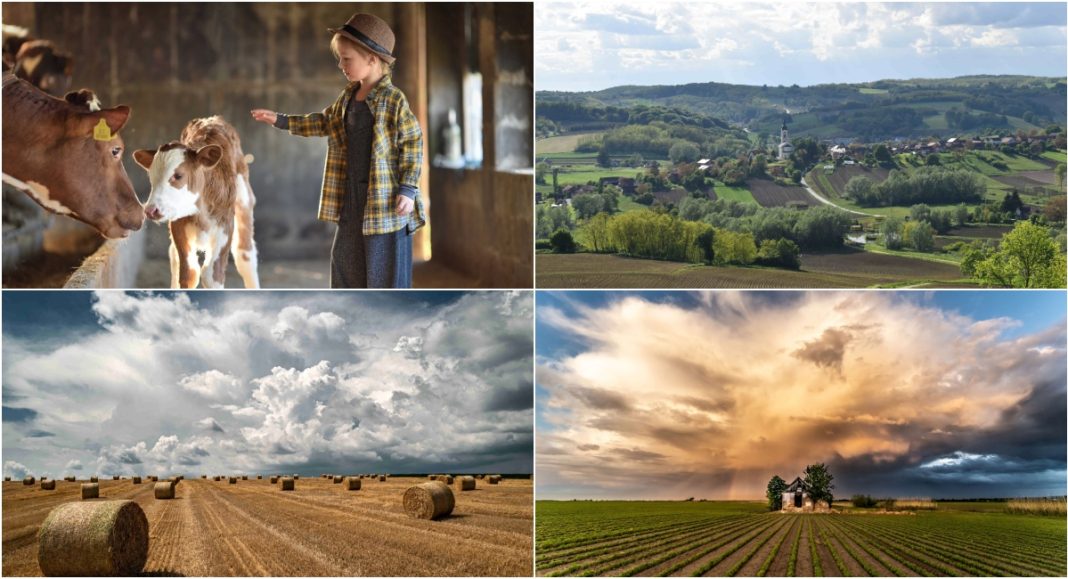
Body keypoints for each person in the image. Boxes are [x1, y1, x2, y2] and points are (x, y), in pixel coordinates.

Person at [252, 12, 425, 288]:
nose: (341, 65)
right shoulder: (347, 96)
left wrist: (407, 188)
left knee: (384, 271)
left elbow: (413, 143)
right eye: (340, 58)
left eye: (347, 59)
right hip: (351, 199)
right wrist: (281, 120)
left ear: (372, 58)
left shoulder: (394, 100)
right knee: (344, 262)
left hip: (385, 202)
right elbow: (323, 122)